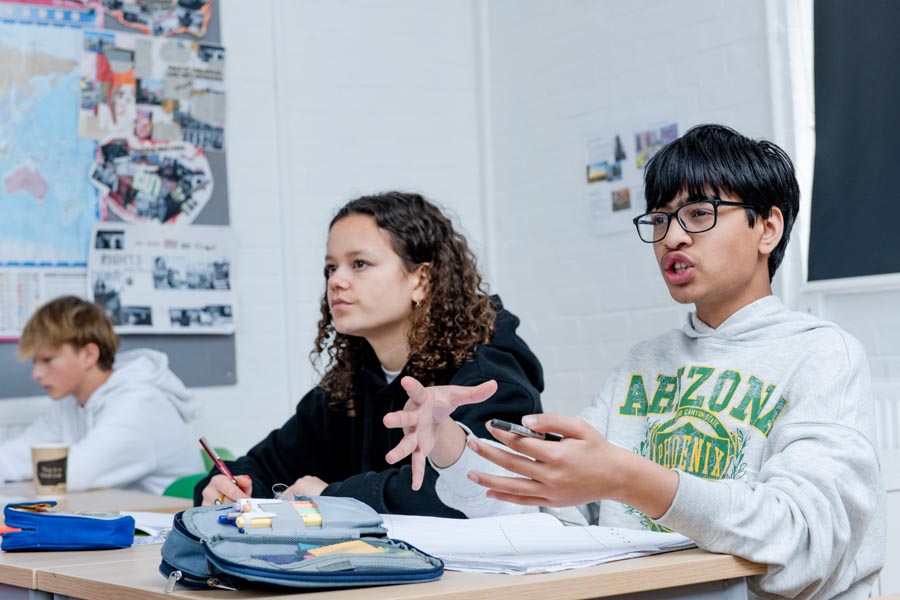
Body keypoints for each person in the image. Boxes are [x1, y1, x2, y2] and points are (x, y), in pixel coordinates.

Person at [384, 125, 885, 599]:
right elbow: (558, 518)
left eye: (698, 214)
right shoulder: (645, 362)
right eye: (661, 219)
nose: (673, 237)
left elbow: (806, 541)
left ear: (767, 228)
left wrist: (632, 480)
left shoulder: (822, 353)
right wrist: (452, 445)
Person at [195, 191, 544, 516]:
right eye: (331, 267)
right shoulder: (351, 384)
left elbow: (475, 490)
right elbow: (264, 464)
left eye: (359, 264)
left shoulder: (486, 373)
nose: (336, 281)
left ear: (421, 280)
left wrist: (333, 499)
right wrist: (228, 487)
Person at [0, 295, 203, 494]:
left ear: (89, 355)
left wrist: (23, 468)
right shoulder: (70, 402)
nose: (36, 373)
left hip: (166, 523)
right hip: (119, 518)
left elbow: (75, 474)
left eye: (47, 360)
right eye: (34, 362)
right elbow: (15, 455)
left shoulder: (139, 402)